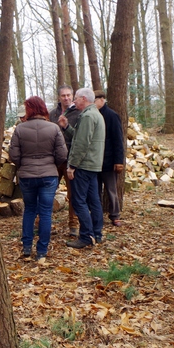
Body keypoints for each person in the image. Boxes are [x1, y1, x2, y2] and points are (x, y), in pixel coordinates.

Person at [9, 96, 67, 260]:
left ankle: (27, 248)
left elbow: (13, 154)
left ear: (29, 110)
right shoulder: (54, 128)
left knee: (29, 211)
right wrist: (51, 165)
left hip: (27, 176)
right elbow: (62, 154)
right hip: (49, 175)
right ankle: (42, 251)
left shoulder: (20, 129)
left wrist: (23, 166)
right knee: (46, 213)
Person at [58, 88, 105, 248]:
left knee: (78, 201)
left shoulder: (87, 116)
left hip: (84, 165)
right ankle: (97, 233)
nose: (73, 101)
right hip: (93, 165)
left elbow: (81, 144)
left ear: (83, 99)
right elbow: (81, 137)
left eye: (76, 98)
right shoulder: (95, 114)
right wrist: (66, 127)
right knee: (94, 200)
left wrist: (72, 166)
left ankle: (86, 236)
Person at [50, 85, 81, 237]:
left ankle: (73, 224)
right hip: (54, 161)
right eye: (63, 95)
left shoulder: (79, 114)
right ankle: (42, 222)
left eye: (69, 95)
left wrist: (67, 126)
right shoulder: (52, 114)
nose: (66, 98)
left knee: (72, 194)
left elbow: (80, 137)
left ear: (72, 96)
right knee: (47, 192)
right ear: (59, 97)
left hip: (71, 160)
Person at [94, 91, 125, 226]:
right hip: (94, 161)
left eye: (95, 99)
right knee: (95, 190)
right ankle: (97, 214)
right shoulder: (92, 115)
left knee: (111, 190)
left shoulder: (112, 115)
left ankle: (115, 215)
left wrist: (118, 161)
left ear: (102, 100)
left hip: (109, 161)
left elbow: (118, 140)